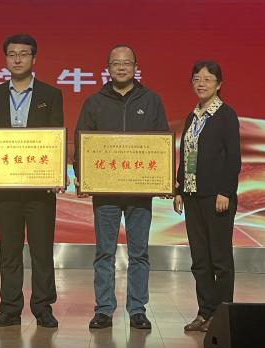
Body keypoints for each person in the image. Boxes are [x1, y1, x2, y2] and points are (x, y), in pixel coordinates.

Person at [74, 44, 169, 331]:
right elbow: (81, 143)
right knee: (105, 252)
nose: (122, 67)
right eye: (116, 63)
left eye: (127, 63)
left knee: (139, 253)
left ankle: (137, 309)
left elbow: (161, 143)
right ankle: (104, 309)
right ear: (108, 68)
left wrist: (164, 178)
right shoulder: (94, 102)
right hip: (106, 194)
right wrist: (82, 175)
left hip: (140, 193)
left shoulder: (151, 100)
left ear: (135, 67)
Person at [0, 34, 64, 329]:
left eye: (24, 54)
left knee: (42, 250)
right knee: (9, 250)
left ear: (34, 58)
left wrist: (56, 174)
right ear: (6, 59)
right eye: (12, 54)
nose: (17, 59)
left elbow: (55, 138)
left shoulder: (51, 95)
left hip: (40, 190)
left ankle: (43, 307)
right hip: (6, 189)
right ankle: (10, 308)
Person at [174, 60, 241, 333]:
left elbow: (233, 157)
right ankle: (204, 312)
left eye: (207, 79)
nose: (201, 84)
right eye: (196, 79)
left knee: (220, 260)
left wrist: (226, 191)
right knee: (200, 260)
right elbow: (185, 154)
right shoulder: (192, 117)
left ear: (219, 84)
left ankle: (222, 315)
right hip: (192, 195)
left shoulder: (226, 115)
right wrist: (179, 189)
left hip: (217, 197)